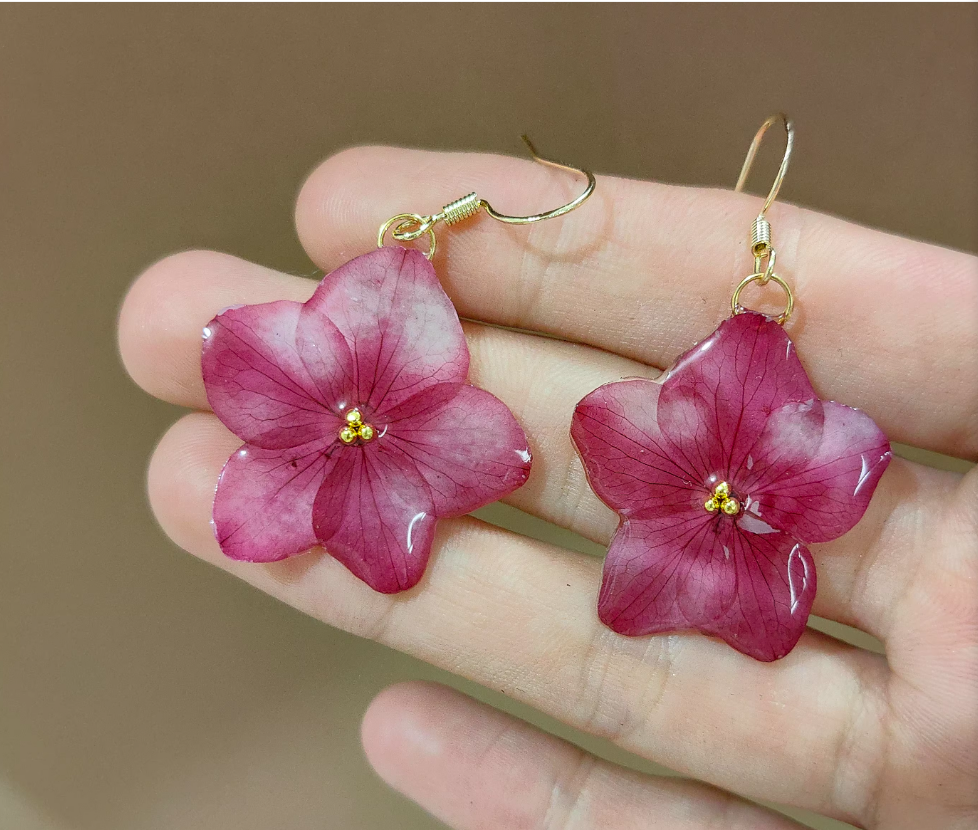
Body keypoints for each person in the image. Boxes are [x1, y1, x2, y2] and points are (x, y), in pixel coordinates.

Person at [118, 146, 978, 830]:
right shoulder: (312, 387)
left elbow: (521, 456)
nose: (356, 429)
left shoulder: (757, 408)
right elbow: (247, 369)